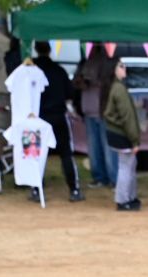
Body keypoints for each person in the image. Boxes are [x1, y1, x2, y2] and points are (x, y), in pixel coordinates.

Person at [32, 40, 80, 201]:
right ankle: (74, 189)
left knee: (37, 153)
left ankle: (36, 189)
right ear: (50, 50)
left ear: (35, 50)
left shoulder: (31, 71)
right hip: (59, 116)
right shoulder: (59, 70)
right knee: (66, 153)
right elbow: (70, 93)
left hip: (39, 118)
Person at [102, 55, 141, 211]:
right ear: (114, 70)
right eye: (121, 66)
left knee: (129, 165)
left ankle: (129, 197)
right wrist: (135, 140)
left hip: (117, 133)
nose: (124, 69)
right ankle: (122, 200)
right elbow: (127, 117)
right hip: (122, 135)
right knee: (126, 167)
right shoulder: (119, 89)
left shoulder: (115, 87)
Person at [74, 46, 116, 188]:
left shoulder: (109, 66)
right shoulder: (84, 64)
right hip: (89, 111)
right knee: (94, 149)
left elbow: (110, 84)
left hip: (103, 112)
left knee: (107, 148)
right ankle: (99, 177)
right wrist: (82, 79)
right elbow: (76, 84)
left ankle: (112, 178)